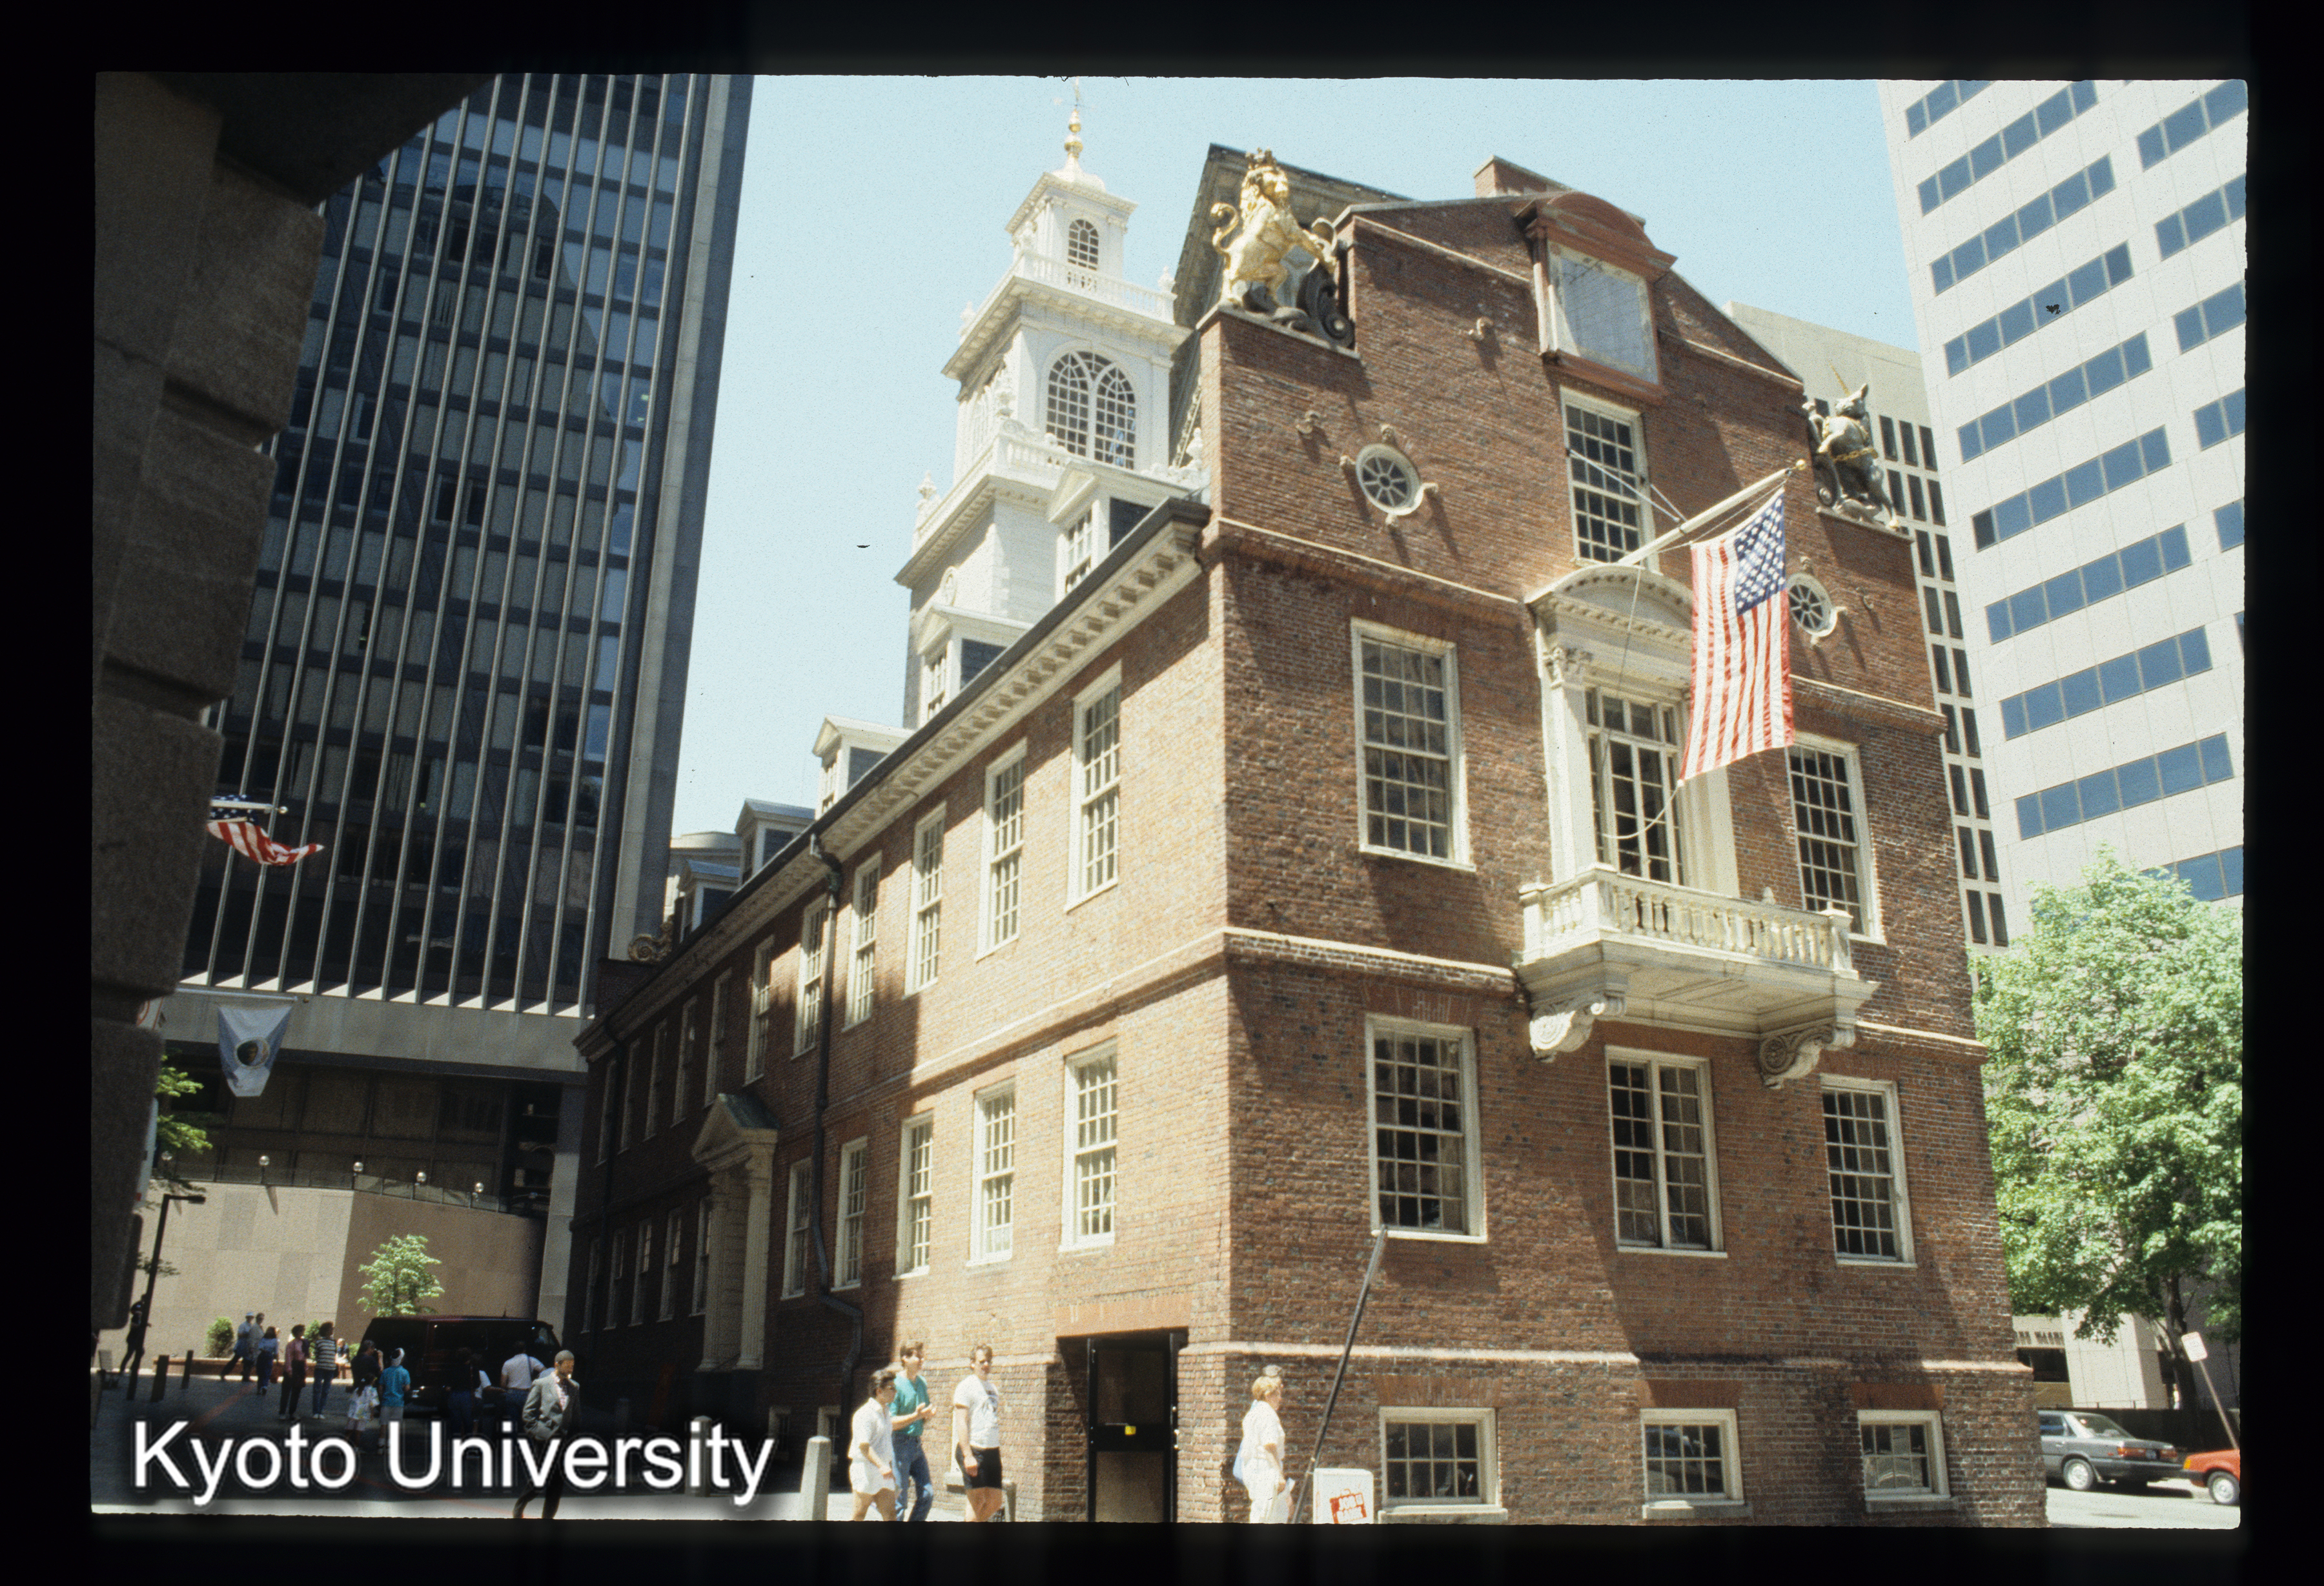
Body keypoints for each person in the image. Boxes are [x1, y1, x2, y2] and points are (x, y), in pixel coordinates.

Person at [513, 1351, 581, 1520]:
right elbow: (528, 1413)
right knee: (540, 1479)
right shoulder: (541, 1384)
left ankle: (548, 1518)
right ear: (557, 1364)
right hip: (545, 1438)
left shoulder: (574, 1387)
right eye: (568, 1365)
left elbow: (576, 1415)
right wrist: (538, 1432)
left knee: (557, 1482)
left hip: (563, 1440)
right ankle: (520, 1506)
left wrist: (574, 1438)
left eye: (573, 1365)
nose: (571, 1368)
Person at [951, 1344, 1006, 1522]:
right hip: (974, 1449)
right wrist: (968, 1455)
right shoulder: (966, 1386)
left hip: (992, 1451)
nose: (986, 1365)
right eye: (982, 1361)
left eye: (989, 1361)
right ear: (972, 1363)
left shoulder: (993, 1388)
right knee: (977, 1502)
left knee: (995, 1502)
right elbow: (961, 1422)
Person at [889, 1341, 939, 1522]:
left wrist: (927, 1415)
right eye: (917, 1356)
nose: (921, 1360)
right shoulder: (895, 1384)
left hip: (917, 1444)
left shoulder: (922, 1383)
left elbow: (922, 1414)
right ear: (905, 1358)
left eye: (922, 1356)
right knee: (899, 1501)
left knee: (927, 1494)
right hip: (900, 1444)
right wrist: (916, 1416)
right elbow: (891, 1422)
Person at [1238, 1373, 1290, 1523]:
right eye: (1277, 1395)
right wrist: (1279, 1475)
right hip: (1266, 1470)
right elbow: (1269, 1447)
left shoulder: (1253, 1414)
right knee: (1270, 1517)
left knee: (1262, 1513)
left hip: (1253, 1469)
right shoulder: (1268, 1414)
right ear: (1268, 1395)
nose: (1280, 1399)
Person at [849, 1367, 901, 1521]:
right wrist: (882, 1466)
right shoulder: (865, 1414)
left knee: (890, 1514)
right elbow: (864, 1447)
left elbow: (885, 1445)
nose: (895, 1392)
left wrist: (889, 1469)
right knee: (859, 1514)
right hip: (865, 1471)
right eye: (892, 1388)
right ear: (879, 1391)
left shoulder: (886, 1413)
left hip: (884, 1473)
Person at [447, 1348, 489, 1438]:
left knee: (455, 1422)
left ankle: (455, 1440)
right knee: (468, 1421)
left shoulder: (453, 1368)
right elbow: (477, 1384)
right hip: (467, 1395)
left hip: (454, 1395)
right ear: (469, 1358)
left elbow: (449, 1383)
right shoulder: (473, 1369)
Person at [277, 1324, 309, 1421]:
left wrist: (305, 1368)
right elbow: (288, 1357)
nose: (302, 1333)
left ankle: (292, 1412)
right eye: (300, 1331)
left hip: (300, 1367)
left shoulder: (304, 1343)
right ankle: (282, 1412)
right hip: (293, 1366)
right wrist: (289, 1370)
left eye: (303, 1331)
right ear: (296, 1333)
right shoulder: (291, 1344)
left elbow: (304, 1357)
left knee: (297, 1391)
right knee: (286, 1391)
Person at [377, 1347, 411, 1435]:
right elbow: (407, 1388)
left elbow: (380, 1388)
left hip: (386, 1402)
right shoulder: (405, 1372)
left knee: (383, 1425)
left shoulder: (386, 1372)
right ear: (402, 1359)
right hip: (398, 1403)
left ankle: (381, 1442)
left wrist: (381, 1399)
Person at [309, 1323, 338, 1419]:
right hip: (320, 1368)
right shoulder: (319, 1342)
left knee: (325, 1391)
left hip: (330, 1369)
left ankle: (321, 1411)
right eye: (331, 1329)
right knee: (317, 1390)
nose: (332, 1330)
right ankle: (315, 1412)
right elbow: (316, 1355)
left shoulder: (334, 1342)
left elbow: (334, 1354)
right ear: (326, 1330)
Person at [231, 1312, 255, 1381]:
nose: (250, 1318)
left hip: (247, 1346)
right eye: (249, 1317)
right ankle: (224, 1373)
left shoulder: (251, 1326)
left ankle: (246, 1376)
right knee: (235, 1360)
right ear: (246, 1318)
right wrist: (247, 1334)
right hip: (241, 1346)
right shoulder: (243, 1325)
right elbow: (239, 1334)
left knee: (248, 1361)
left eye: (251, 1317)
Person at [255, 1325, 280, 1392]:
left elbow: (276, 1351)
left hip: (269, 1356)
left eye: (270, 1331)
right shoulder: (263, 1339)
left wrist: (277, 1361)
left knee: (267, 1371)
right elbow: (260, 1347)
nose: (269, 1332)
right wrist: (264, 1350)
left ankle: (265, 1386)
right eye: (268, 1330)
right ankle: (259, 1387)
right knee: (261, 1372)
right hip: (262, 1356)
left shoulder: (275, 1341)